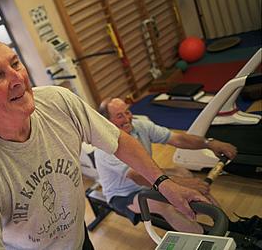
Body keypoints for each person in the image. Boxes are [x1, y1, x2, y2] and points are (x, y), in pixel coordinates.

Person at [0, 35, 209, 250]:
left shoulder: (58, 102)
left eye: (15, 64)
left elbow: (119, 142)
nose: (17, 79)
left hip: (77, 238)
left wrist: (165, 184)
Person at [95, 97, 237, 233]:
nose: (127, 119)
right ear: (107, 121)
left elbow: (178, 139)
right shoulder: (105, 147)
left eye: (127, 112)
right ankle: (208, 241)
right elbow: (137, 176)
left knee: (183, 173)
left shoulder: (138, 126)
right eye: (119, 116)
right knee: (163, 204)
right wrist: (179, 185)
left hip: (148, 180)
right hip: (124, 195)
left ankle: (229, 226)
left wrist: (209, 143)